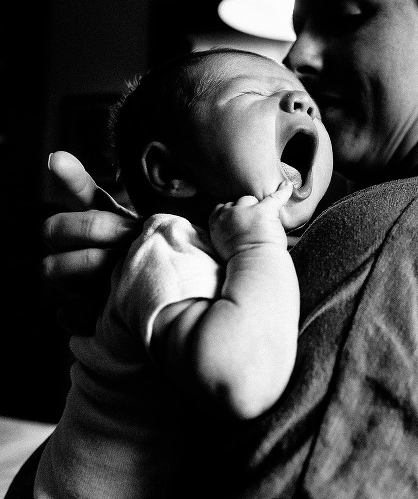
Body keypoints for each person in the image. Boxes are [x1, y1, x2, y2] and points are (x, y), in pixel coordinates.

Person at [29, 0, 418, 497]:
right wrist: (134, 323)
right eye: (299, 27)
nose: (298, 58)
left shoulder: (412, 233)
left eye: (346, 15)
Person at [34, 49, 333, 498]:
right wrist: (257, 248)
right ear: (170, 171)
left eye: (311, 105)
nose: (302, 103)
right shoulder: (169, 250)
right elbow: (239, 379)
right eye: (255, 93)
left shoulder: (263, 252)